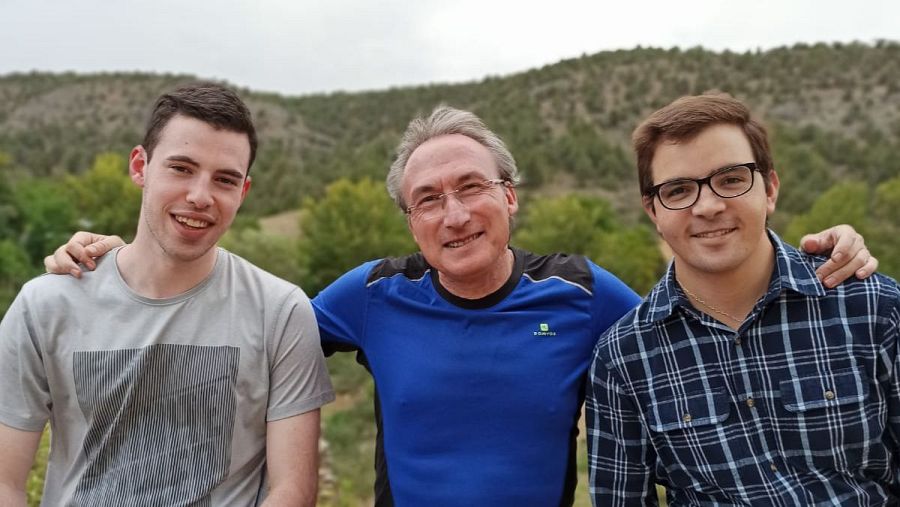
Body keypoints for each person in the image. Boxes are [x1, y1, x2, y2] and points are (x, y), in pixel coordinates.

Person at [45, 106, 877, 506]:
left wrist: (825, 248)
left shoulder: (584, 293)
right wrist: (119, 259)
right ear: (409, 217)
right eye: (429, 197)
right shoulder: (371, 294)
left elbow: (699, 305)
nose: (453, 213)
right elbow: (237, 318)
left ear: (510, 198)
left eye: (473, 187)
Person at [0, 83, 334, 506]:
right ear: (140, 166)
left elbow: (292, 491)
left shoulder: (281, 311)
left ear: (243, 192)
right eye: (181, 168)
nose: (200, 196)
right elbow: (5, 482)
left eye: (224, 180)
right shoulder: (46, 305)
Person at [586, 93, 900, 505]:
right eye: (679, 190)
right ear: (653, 212)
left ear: (769, 188)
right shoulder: (624, 358)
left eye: (731, 179)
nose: (709, 206)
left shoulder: (872, 306)